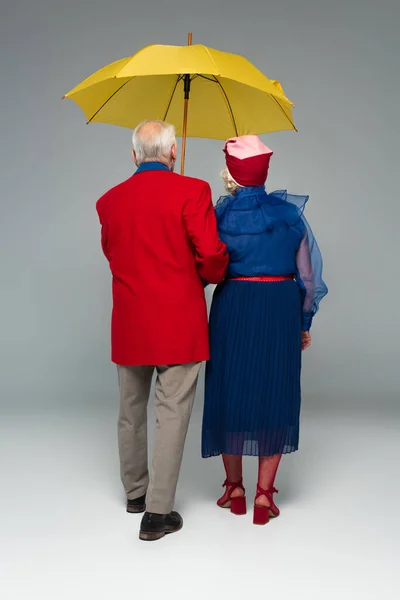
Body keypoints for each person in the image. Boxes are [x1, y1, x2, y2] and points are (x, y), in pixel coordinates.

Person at [96, 120, 228, 541]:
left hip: (131, 321)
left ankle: (135, 494)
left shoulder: (109, 201)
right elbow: (211, 256)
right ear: (173, 152)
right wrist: (201, 277)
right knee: (171, 414)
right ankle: (157, 513)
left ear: (134, 155)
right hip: (178, 322)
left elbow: (114, 255)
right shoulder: (194, 191)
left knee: (130, 411)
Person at [202, 135, 328, 525]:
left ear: (230, 173)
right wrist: (303, 323)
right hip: (279, 308)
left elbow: (206, 268)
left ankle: (234, 489)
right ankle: (262, 497)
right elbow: (308, 280)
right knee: (276, 389)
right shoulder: (289, 215)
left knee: (230, 388)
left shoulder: (218, 217)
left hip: (234, 306)